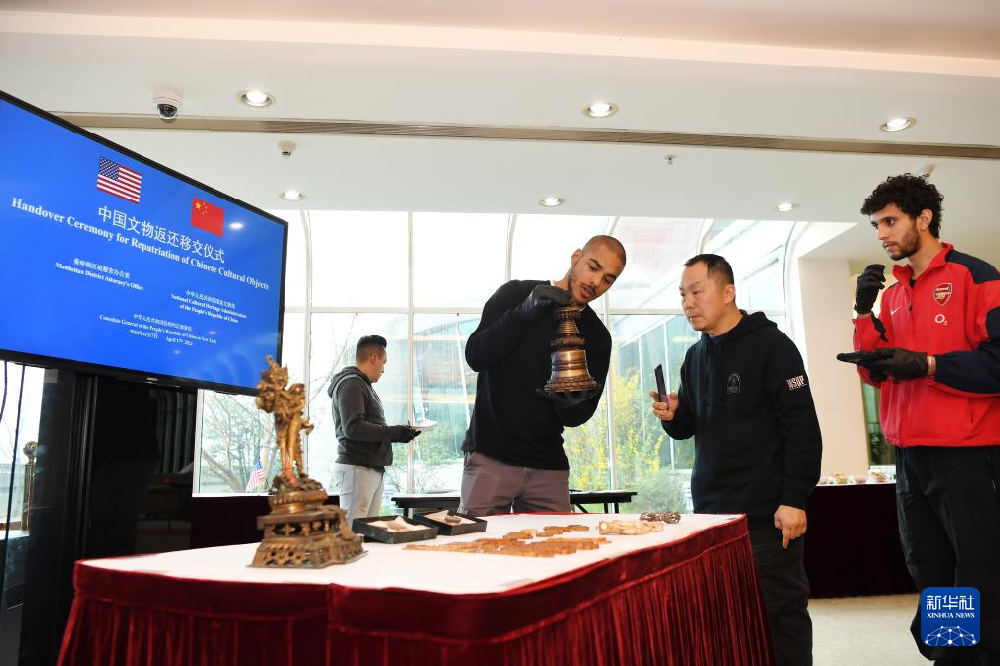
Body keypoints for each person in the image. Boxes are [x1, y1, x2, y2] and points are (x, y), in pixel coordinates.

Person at [845, 174, 999, 665]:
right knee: (931, 568)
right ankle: (952, 658)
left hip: (968, 456)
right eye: (876, 225)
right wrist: (863, 314)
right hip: (910, 457)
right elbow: (877, 376)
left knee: (979, 572)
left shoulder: (978, 278)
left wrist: (930, 365)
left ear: (924, 218)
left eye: (890, 222)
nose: (881, 234)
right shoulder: (894, 295)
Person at [649, 254, 822, 666]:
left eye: (697, 292)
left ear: (728, 293)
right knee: (725, 626)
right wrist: (673, 416)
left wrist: (794, 499)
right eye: (682, 295)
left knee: (780, 621)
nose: (688, 303)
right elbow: (691, 426)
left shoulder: (773, 347)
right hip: (711, 517)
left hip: (766, 517)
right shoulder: (695, 356)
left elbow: (802, 429)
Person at [459, 235, 626, 516]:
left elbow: (578, 416)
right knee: (476, 541)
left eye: (608, 279)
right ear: (576, 258)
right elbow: (476, 356)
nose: (596, 282)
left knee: (558, 543)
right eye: (593, 267)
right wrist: (522, 313)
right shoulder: (515, 294)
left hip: (548, 465)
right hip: (490, 456)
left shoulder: (597, 336)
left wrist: (570, 399)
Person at [328, 335, 418, 524]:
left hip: (367, 468)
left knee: (367, 532)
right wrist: (395, 432)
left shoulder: (361, 385)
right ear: (374, 358)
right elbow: (353, 428)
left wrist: (400, 434)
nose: (383, 369)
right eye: (383, 362)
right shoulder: (352, 384)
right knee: (352, 533)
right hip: (357, 467)